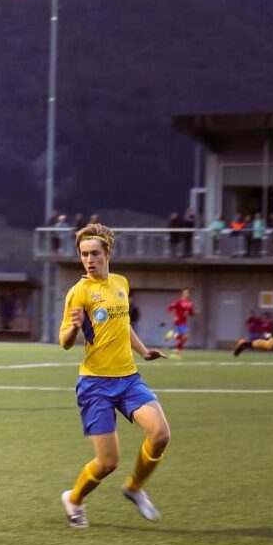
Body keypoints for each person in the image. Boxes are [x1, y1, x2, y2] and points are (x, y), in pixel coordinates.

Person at [56, 223, 172, 529]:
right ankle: (74, 499)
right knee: (107, 463)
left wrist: (144, 351)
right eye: (83, 255)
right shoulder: (79, 293)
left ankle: (134, 488)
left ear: (108, 253)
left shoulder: (121, 282)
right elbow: (64, 342)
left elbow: (124, 325)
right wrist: (74, 327)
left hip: (129, 378)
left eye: (94, 253)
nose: (89, 260)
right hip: (95, 384)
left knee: (160, 435)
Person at [166, 288, 196, 352]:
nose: (186, 294)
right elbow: (170, 308)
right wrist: (174, 316)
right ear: (182, 294)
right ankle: (177, 348)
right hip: (179, 321)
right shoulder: (179, 301)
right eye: (185, 293)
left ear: (189, 294)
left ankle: (176, 343)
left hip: (184, 322)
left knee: (184, 338)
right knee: (185, 337)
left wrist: (194, 312)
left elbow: (191, 313)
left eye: (187, 293)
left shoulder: (190, 303)